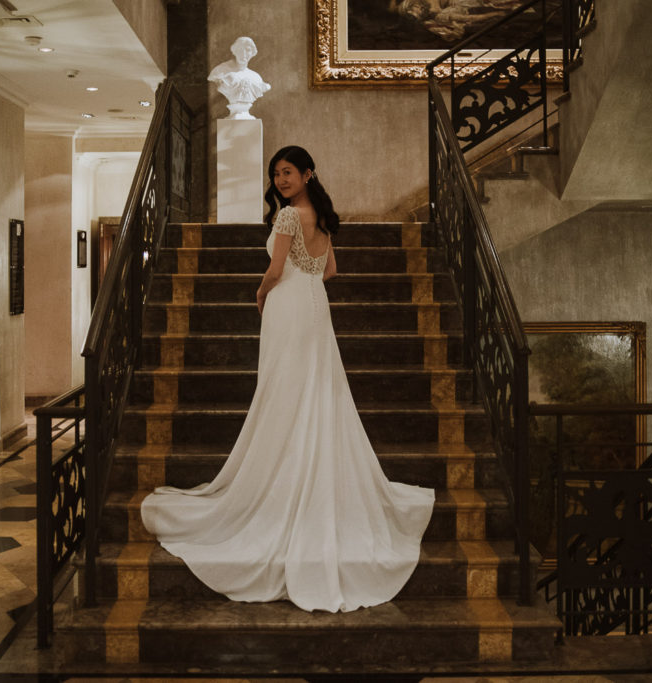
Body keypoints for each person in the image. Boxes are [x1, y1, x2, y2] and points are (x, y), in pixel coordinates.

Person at [140, 146, 434, 613]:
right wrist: (304, 281)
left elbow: (275, 270)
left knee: (284, 392)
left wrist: (260, 295)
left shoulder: (286, 219)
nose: (280, 179)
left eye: (288, 172)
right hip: (315, 306)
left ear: (307, 173)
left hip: (287, 306)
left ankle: (282, 481)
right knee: (316, 391)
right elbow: (331, 270)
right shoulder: (318, 214)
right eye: (276, 173)